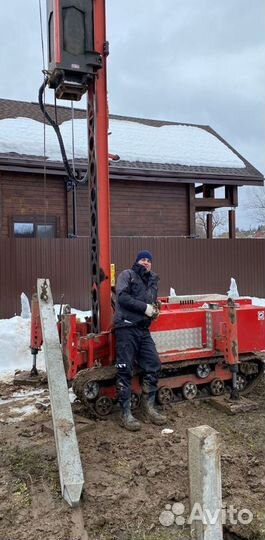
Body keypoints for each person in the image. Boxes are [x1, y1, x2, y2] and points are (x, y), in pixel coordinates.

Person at [114, 250, 167, 431]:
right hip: (126, 328)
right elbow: (122, 297)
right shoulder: (127, 275)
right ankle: (125, 413)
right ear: (137, 261)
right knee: (125, 370)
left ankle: (148, 408)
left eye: (149, 260)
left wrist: (155, 308)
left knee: (154, 364)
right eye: (143, 259)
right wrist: (145, 308)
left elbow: (150, 302)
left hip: (143, 330)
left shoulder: (152, 282)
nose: (146, 262)